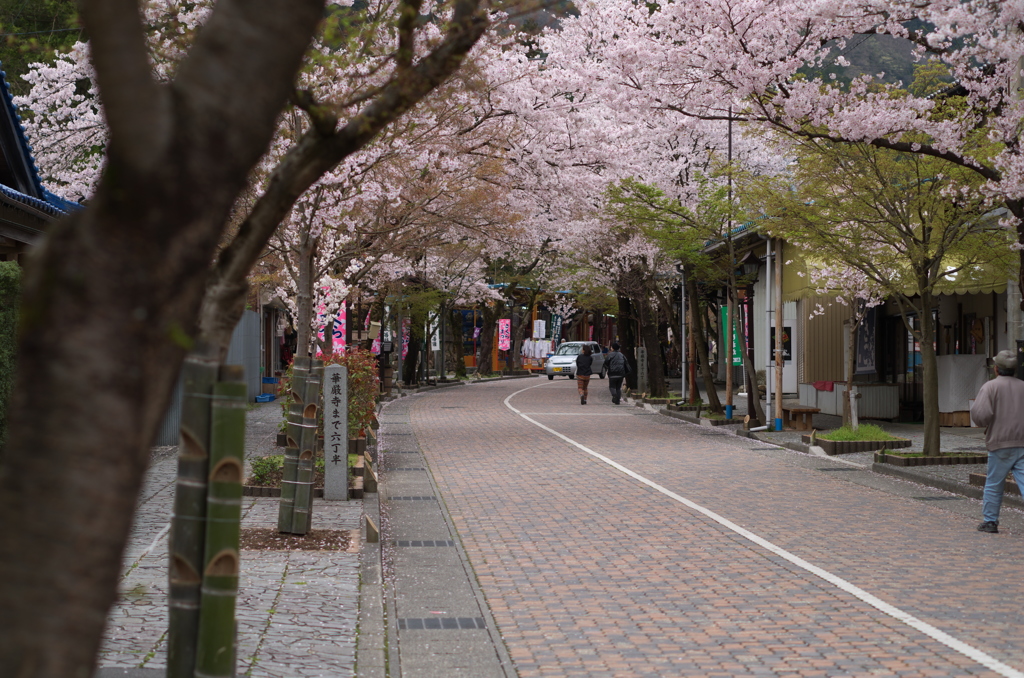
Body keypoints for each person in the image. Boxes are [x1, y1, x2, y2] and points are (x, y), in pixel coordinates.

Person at [969, 349, 1024, 533]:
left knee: (994, 483)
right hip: (1023, 442)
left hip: (1000, 442)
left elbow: (980, 415)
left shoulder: (990, 387)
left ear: (996, 369)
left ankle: (990, 522)